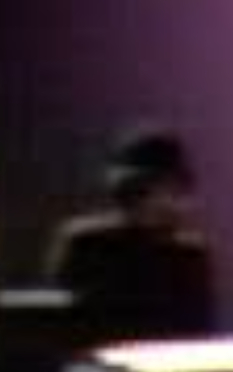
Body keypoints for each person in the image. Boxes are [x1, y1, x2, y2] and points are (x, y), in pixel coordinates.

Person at [41, 122, 215, 340]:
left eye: (174, 190)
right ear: (129, 192)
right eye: (154, 190)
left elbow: (197, 336)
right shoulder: (85, 244)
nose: (167, 202)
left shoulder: (189, 256)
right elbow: (57, 325)